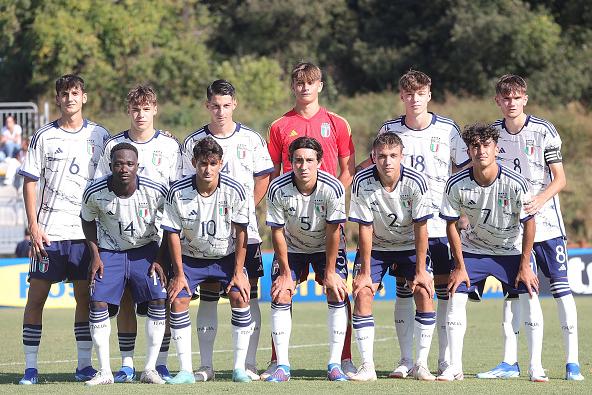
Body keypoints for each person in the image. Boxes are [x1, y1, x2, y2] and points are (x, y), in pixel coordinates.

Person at [357, 70, 469, 377]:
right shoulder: (390, 129)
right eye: (408, 94)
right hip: (400, 228)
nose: (414, 99)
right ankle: (407, 360)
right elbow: (374, 164)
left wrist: (462, 211)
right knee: (405, 291)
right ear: (401, 97)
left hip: (438, 226)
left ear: (429, 94)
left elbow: (462, 171)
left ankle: (447, 362)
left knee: (442, 293)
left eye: (420, 93)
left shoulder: (447, 129)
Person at [476, 75, 583, 381]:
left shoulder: (544, 130)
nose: (511, 103)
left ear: (525, 99)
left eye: (516, 97)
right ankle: (512, 362)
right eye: (505, 98)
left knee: (562, 291)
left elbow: (560, 179)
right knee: (518, 293)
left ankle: (571, 362)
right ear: (498, 101)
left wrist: (539, 200)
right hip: (512, 228)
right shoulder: (492, 134)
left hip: (546, 224)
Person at [17, 74, 110, 385]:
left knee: (84, 298)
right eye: (64, 94)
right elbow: (30, 182)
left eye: (75, 93)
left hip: (86, 235)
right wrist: (33, 226)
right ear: (57, 99)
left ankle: (84, 365)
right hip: (50, 232)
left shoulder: (100, 135)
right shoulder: (44, 136)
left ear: (83, 97)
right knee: (37, 297)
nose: (70, 98)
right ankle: (30, 368)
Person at [265, 61, 356, 379]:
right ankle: (278, 362)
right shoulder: (279, 126)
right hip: (291, 223)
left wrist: (324, 200)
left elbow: (348, 170)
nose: (304, 87)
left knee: (339, 288)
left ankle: (343, 360)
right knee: (281, 288)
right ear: (293, 87)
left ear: (320, 86)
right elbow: (274, 174)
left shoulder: (337, 123)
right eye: (299, 82)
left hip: (327, 220)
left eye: (311, 82)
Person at [438, 123, 547, 382]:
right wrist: (459, 266)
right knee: (455, 294)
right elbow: (450, 225)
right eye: (475, 146)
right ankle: (454, 366)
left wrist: (525, 264)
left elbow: (529, 223)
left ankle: (536, 366)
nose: (481, 150)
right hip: (474, 250)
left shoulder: (515, 182)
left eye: (486, 145)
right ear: (468, 150)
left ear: (496, 149)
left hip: (511, 250)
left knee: (530, 294)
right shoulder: (456, 183)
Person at [181, 80, 274, 381]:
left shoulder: (252, 139)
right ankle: (205, 365)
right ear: (207, 106)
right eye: (215, 105)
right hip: (205, 237)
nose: (220, 111)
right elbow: (183, 185)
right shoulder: (193, 142)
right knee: (208, 295)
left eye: (226, 105)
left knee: (248, 294)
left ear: (234, 104)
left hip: (244, 234)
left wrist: (243, 212)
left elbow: (263, 178)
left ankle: (247, 364)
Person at [94, 85, 182, 383]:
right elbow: (100, 188)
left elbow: (179, 190)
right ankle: (128, 363)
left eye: (146, 108)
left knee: (163, 299)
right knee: (127, 299)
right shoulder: (113, 145)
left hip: (158, 238)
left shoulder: (170, 146)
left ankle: (160, 363)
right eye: (135, 109)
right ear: (128, 111)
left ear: (155, 109)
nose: (140, 114)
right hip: (118, 238)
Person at [162, 136, 253, 384]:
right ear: (194, 162)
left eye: (213, 163)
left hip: (225, 257)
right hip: (191, 259)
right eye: (203, 163)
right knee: (178, 300)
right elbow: (171, 234)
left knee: (240, 295)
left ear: (221, 163)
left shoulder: (235, 190)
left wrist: (238, 272)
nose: (208, 169)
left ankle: (239, 369)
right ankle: (186, 371)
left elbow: (242, 232)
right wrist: (179, 274)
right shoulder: (177, 192)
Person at [349, 132, 435, 381]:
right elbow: (364, 227)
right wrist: (365, 273)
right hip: (377, 247)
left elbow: (422, 228)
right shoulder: (362, 182)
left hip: (409, 245)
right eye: (382, 156)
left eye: (393, 156)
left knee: (423, 291)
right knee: (363, 292)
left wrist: (420, 270)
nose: (387, 161)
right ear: (373, 157)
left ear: (402, 156)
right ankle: (367, 367)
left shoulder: (416, 182)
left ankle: (420, 364)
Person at [81, 143, 168, 385]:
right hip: (110, 252)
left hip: (146, 250)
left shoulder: (156, 190)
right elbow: (87, 221)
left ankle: (150, 369)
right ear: (110, 166)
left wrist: (161, 258)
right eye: (118, 163)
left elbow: (172, 223)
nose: (124, 168)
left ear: (137, 166)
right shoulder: (94, 191)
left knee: (159, 298)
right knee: (97, 300)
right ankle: (106, 372)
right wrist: (96, 256)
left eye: (129, 164)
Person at [265, 136, 349, 382]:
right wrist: (284, 273)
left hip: (325, 247)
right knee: (281, 293)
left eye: (309, 160)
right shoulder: (277, 188)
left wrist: (331, 272)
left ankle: (335, 364)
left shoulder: (332, 188)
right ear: (290, 162)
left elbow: (335, 231)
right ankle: (282, 367)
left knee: (336, 291)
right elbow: (276, 232)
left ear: (320, 162)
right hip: (291, 248)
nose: (303, 166)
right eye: (298, 160)